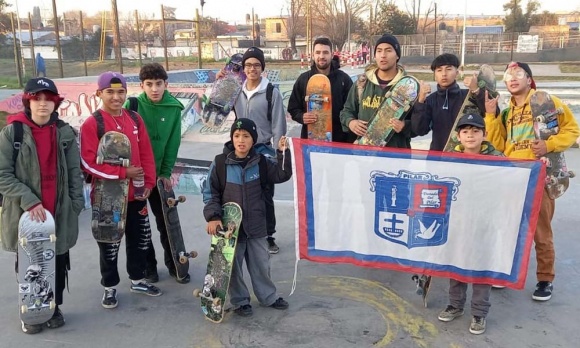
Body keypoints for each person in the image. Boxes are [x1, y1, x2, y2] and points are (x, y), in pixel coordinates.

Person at [484, 62, 579, 301]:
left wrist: (550, 145)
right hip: (512, 175)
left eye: (519, 74)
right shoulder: (506, 112)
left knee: (541, 231)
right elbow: (498, 143)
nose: (513, 78)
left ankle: (545, 279)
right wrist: (490, 115)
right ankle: (507, 273)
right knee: (508, 228)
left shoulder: (547, 102)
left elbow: (572, 129)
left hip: (540, 176)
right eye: (508, 75)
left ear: (529, 79)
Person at [0, 77, 84, 334]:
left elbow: (73, 171)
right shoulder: (12, 133)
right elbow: (3, 174)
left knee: (57, 261)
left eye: (49, 99)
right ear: (28, 100)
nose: (43, 103)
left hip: (58, 212)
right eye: (37, 98)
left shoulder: (64, 132)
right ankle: (31, 310)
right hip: (26, 215)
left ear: (56, 103)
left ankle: (53, 306)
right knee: (29, 265)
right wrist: (30, 200)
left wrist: (76, 202)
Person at [80, 72, 161, 309]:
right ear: (100, 93)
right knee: (109, 242)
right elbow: (88, 163)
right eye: (110, 92)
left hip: (136, 195)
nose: (116, 97)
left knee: (139, 240)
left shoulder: (134, 119)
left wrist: (148, 183)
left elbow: (146, 153)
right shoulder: (93, 123)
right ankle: (110, 286)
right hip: (108, 198)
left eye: (121, 92)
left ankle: (137, 279)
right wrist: (121, 174)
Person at [202, 118, 292, 317]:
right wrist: (213, 217)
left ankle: (268, 296)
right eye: (236, 136)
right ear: (232, 138)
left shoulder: (261, 163)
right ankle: (240, 301)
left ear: (253, 140)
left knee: (261, 264)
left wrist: (282, 152)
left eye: (246, 136)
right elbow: (211, 193)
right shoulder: (220, 163)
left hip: (257, 224)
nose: (241, 140)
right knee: (233, 267)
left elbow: (282, 174)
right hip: (230, 227)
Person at [438, 112, 502, 335]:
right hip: (458, 219)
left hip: (486, 221)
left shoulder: (499, 159)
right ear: (459, 136)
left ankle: (479, 312)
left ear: (484, 135)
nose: (470, 135)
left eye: (475, 131)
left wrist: (539, 165)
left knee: (481, 267)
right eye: (465, 131)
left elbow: (517, 180)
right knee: (457, 262)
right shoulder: (449, 158)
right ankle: (455, 305)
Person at [123, 63, 187, 284]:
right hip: (137, 177)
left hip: (159, 176)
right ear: (141, 85)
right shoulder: (131, 106)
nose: (154, 89)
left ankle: (174, 264)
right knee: (142, 226)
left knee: (166, 222)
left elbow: (172, 143)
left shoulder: (174, 108)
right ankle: (148, 267)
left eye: (158, 84)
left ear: (166, 84)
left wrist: (166, 173)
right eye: (149, 85)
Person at [230, 46, 287, 254]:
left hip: (263, 149)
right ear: (243, 68)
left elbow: (279, 125)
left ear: (262, 67)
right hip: (239, 149)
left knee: (264, 195)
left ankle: (269, 235)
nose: (252, 69)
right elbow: (216, 110)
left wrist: (279, 154)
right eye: (248, 65)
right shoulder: (236, 89)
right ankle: (245, 232)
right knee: (240, 193)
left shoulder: (271, 92)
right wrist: (220, 83)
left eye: (256, 65)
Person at [340, 34, 415, 148]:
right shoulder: (362, 83)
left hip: (396, 156)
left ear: (397, 56)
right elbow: (346, 111)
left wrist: (405, 126)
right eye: (379, 51)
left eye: (388, 50)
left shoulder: (409, 87)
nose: (383, 55)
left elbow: (420, 125)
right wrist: (351, 122)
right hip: (365, 155)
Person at [411, 53, 489, 151]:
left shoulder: (468, 96)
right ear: (435, 75)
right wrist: (421, 101)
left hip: (465, 157)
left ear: (457, 73)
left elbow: (491, 112)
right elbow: (419, 130)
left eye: (448, 69)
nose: (444, 74)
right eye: (439, 70)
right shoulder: (430, 100)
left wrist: (476, 90)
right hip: (437, 157)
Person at [288, 37, 355, 143]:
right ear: (313, 55)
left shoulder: (344, 79)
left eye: (325, 52)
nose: (321, 56)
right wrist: (301, 117)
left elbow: (353, 109)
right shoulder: (304, 79)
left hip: (340, 141)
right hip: (311, 140)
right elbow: (293, 108)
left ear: (332, 55)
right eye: (318, 52)